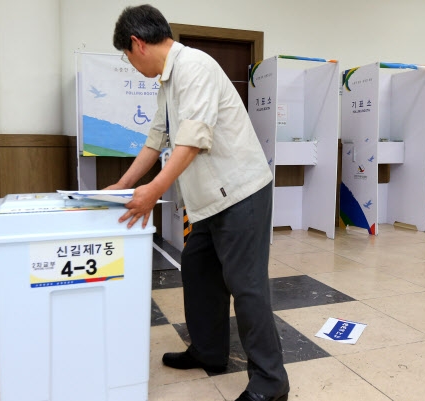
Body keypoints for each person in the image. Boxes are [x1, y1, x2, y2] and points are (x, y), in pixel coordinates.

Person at [110, 5, 290, 401]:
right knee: (198, 272)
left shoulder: (195, 67)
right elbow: (156, 139)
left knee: (247, 287)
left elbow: (191, 140)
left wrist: (153, 191)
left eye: (126, 56)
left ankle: (270, 384)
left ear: (137, 44)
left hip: (242, 192)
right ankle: (210, 352)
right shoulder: (167, 81)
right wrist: (121, 186)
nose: (130, 64)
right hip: (210, 200)